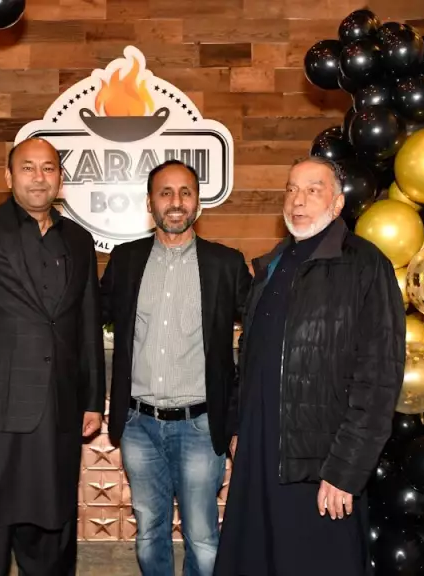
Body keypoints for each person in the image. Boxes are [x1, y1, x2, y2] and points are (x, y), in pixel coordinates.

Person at [214, 156, 405, 576]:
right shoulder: (272, 263)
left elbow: (380, 378)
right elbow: (251, 354)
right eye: (292, 189)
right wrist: (238, 426)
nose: (298, 200)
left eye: (313, 191)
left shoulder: (365, 265)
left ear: (337, 204)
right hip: (260, 452)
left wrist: (346, 471)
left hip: (320, 464)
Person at [0, 137, 106, 576]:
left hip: (57, 414)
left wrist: (91, 399)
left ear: (60, 179)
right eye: (27, 167)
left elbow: (86, 321)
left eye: (48, 168)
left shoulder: (79, 240)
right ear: (9, 177)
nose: (38, 177)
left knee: (52, 535)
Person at [99, 160, 251, 576]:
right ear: (150, 202)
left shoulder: (226, 264)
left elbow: (260, 334)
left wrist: (239, 416)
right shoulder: (126, 260)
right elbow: (89, 316)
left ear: (198, 202)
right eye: (165, 192)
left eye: (186, 192)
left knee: (203, 539)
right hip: (138, 426)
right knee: (149, 533)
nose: (176, 201)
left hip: (200, 426)